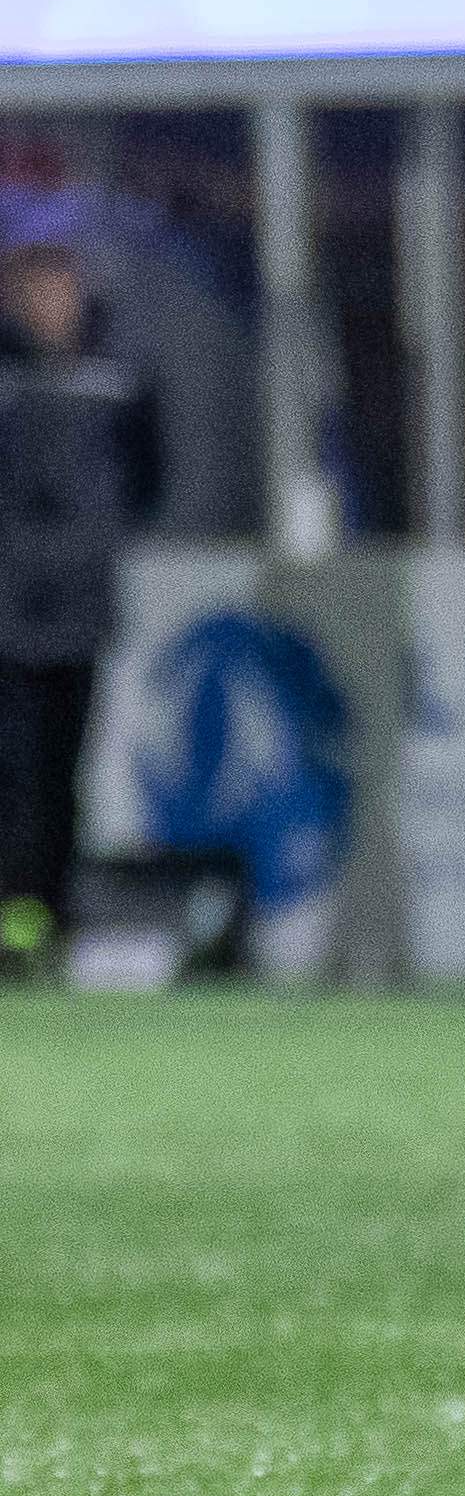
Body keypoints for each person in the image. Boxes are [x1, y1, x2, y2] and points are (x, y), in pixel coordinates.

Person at [0, 235, 162, 975]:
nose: (52, 306)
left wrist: (96, 545)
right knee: (15, 777)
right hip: (7, 616)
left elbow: (146, 479)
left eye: (62, 289)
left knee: (63, 777)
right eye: (37, 291)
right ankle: (15, 924)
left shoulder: (118, 377)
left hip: (80, 615)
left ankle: (49, 923)